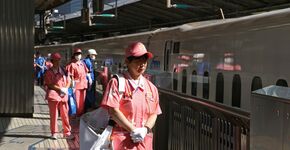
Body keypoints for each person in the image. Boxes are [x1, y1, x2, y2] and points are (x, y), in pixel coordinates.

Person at [101, 42, 162, 150]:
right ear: (127, 61)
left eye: (144, 60)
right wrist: (133, 130)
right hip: (122, 141)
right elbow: (113, 111)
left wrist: (145, 130)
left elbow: (154, 113)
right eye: (138, 60)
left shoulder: (151, 88)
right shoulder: (116, 83)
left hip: (144, 141)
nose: (142, 64)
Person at [44, 52, 74, 140]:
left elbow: (69, 80)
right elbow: (49, 84)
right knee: (54, 115)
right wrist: (59, 89)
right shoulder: (48, 72)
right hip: (53, 96)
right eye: (56, 60)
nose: (57, 62)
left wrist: (66, 88)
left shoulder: (64, 70)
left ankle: (67, 132)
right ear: (52, 61)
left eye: (58, 60)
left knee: (65, 115)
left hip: (63, 96)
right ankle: (54, 132)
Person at [66, 48, 89, 117]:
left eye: (79, 54)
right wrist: (72, 85)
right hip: (77, 86)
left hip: (84, 84)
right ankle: (77, 114)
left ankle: (81, 114)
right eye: (77, 54)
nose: (78, 56)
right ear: (74, 55)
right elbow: (70, 76)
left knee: (82, 101)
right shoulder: (72, 65)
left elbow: (86, 72)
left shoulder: (82, 63)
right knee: (77, 101)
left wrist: (89, 78)